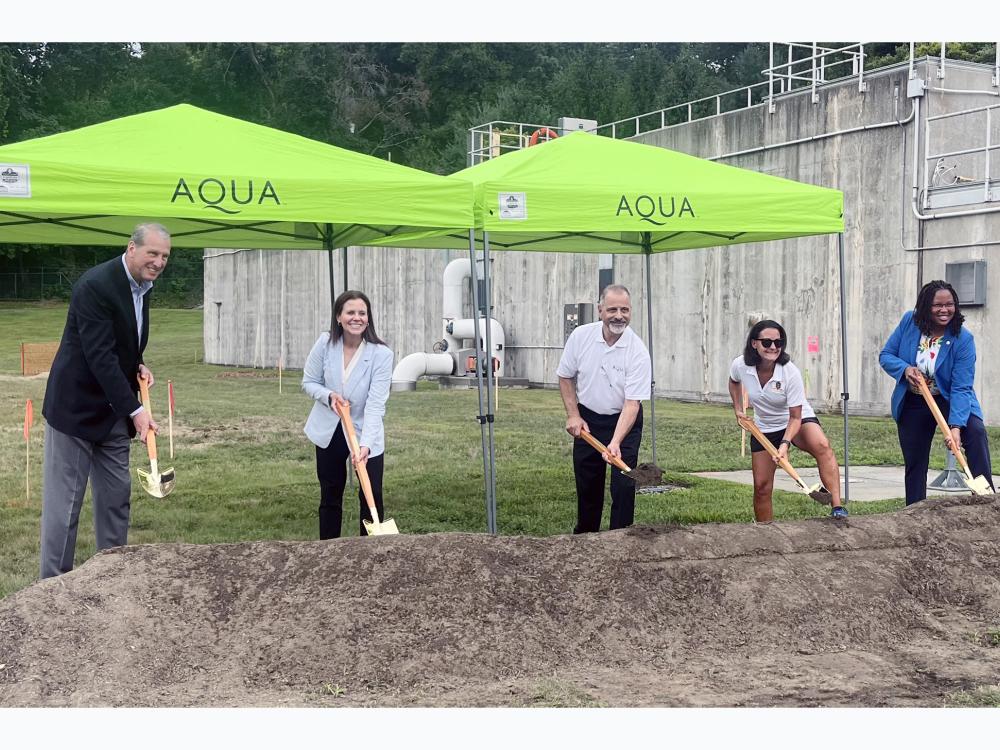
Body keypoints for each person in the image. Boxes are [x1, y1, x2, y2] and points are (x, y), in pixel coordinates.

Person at [39, 222, 171, 579]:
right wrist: (136, 410)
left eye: (164, 256)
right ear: (131, 248)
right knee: (65, 507)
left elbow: (123, 342)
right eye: (152, 253)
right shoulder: (95, 286)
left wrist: (137, 364)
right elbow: (98, 355)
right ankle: (51, 589)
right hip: (75, 411)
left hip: (114, 413)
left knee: (116, 499)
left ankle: (113, 581)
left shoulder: (145, 286)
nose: (158, 262)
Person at [879, 279, 994, 505]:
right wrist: (905, 369)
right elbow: (886, 355)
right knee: (915, 460)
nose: (944, 310)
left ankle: (986, 502)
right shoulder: (908, 323)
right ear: (925, 307)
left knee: (976, 433)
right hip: (914, 400)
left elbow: (962, 387)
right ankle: (915, 510)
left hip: (950, 398)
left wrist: (956, 427)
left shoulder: (963, 339)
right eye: (937, 305)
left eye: (949, 304)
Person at [728, 319, 847, 523]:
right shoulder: (740, 365)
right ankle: (767, 530)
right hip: (764, 427)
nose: (773, 347)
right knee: (762, 487)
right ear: (754, 343)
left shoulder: (789, 372)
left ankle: (837, 506)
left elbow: (795, 417)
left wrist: (784, 444)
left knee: (822, 445)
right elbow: (733, 381)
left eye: (778, 342)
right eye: (767, 342)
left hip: (795, 420)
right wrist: (738, 409)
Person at [557, 284, 651, 533]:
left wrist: (616, 441)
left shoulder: (638, 352)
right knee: (588, 483)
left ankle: (620, 540)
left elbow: (632, 403)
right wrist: (573, 415)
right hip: (588, 419)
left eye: (625, 310)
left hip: (624, 421)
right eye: (612, 309)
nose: (619, 316)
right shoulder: (581, 337)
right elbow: (565, 377)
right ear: (600, 311)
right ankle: (586, 538)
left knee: (623, 485)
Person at [302, 290, 393, 539]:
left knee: (370, 492)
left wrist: (366, 445)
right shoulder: (325, 344)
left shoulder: (381, 355)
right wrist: (329, 396)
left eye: (362, 313)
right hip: (330, 430)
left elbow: (376, 404)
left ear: (368, 318)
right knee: (330, 493)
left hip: (365, 431)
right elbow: (309, 382)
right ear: (339, 317)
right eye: (350, 312)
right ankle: (328, 549)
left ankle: (371, 551)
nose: (357, 318)